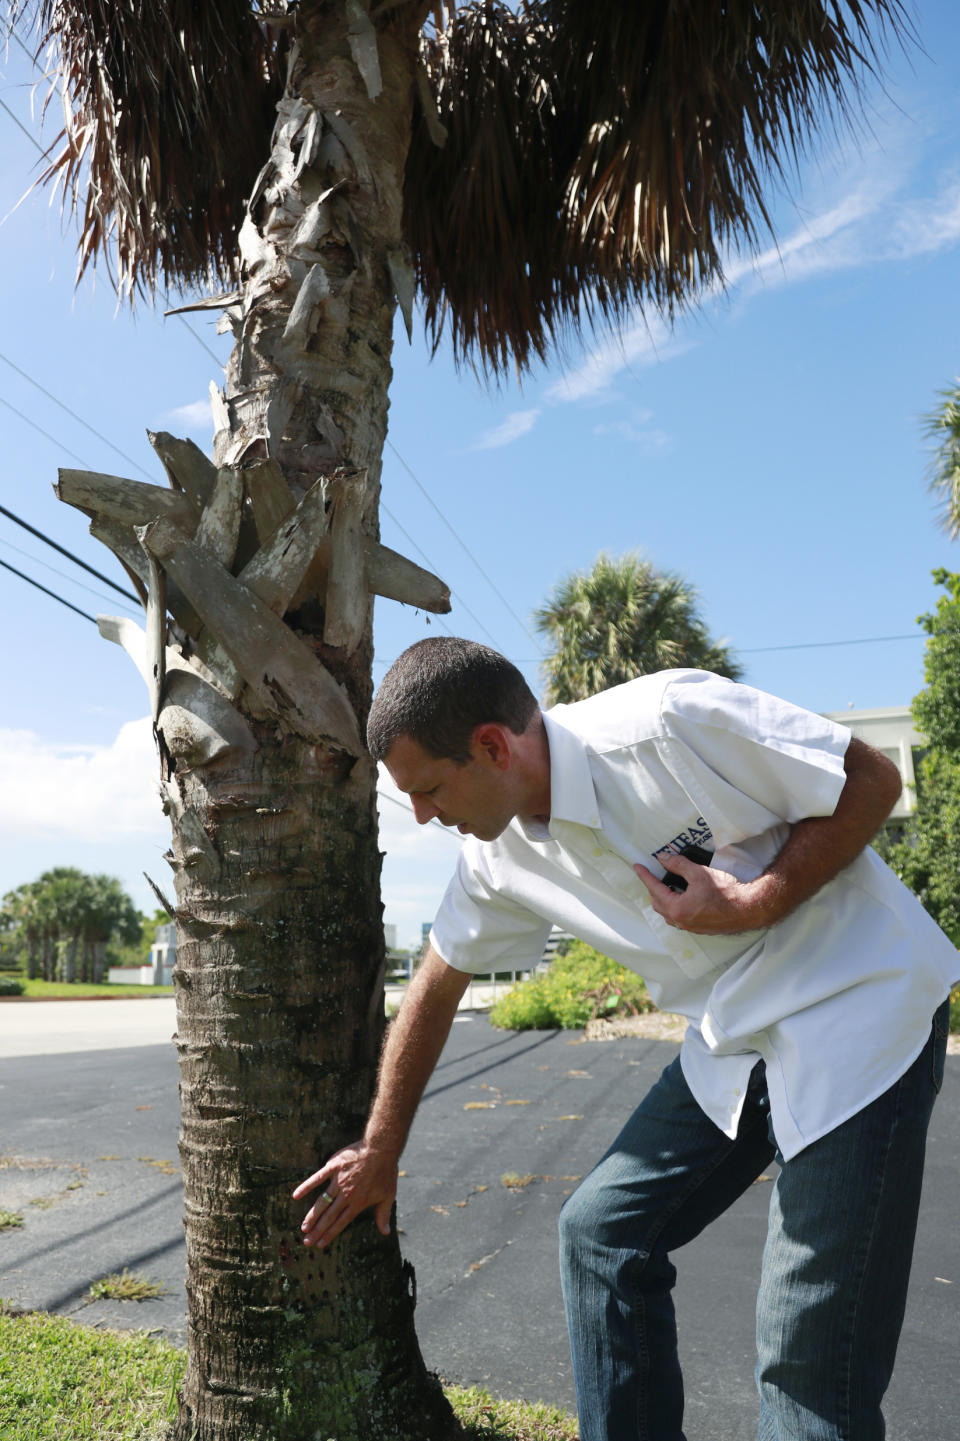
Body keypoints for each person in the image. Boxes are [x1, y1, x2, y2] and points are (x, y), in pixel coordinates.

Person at [294, 637, 957, 1441]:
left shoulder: (666, 721)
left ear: (493, 746)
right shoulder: (495, 855)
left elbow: (872, 779)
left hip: (857, 1006)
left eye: (428, 790)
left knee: (808, 1366)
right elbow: (437, 980)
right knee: (601, 1234)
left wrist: (753, 901)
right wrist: (381, 1149)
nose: (426, 817)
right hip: (734, 1036)